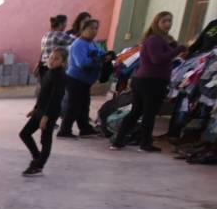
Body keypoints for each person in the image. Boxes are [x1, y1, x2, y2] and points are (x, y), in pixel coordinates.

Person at [112, 11, 182, 152]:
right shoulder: (154, 39)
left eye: (170, 21)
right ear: (157, 23)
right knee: (148, 113)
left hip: (149, 80)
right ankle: (144, 143)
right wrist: (178, 50)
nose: (168, 24)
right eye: (164, 21)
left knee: (137, 112)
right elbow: (157, 59)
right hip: (150, 81)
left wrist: (174, 47)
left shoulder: (163, 39)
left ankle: (119, 141)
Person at [20, 47, 67, 176]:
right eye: (51, 57)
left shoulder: (60, 76)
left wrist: (46, 117)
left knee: (45, 140)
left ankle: (39, 166)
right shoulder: (49, 72)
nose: (52, 61)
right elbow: (43, 95)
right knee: (24, 134)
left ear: (63, 62)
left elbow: (55, 98)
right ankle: (37, 156)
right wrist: (35, 109)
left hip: (49, 113)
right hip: (40, 110)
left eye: (56, 59)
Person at [59, 19, 104, 138]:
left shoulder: (93, 43)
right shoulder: (79, 44)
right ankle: (64, 130)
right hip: (75, 79)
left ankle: (85, 128)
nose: (94, 31)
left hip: (85, 81)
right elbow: (82, 63)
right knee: (73, 106)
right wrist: (97, 60)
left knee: (84, 105)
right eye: (91, 28)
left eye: (96, 28)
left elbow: (100, 53)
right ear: (83, 29)